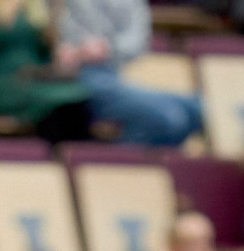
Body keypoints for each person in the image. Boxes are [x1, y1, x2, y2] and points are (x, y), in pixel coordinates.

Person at [0, 0, 91, 142]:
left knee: (78, 95)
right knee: (57, 102)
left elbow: (39, 46)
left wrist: (52, 30)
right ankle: (50, 161)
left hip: (29, 79)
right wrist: (10, 5)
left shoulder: (31, 6)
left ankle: (71, 162)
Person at [55, 0, 198, 146]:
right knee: (172, 118)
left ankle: (144, 160)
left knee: (199, 109)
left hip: (126, 73)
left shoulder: (132, 4)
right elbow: (61, 41)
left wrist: (107, 48)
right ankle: (120, 160)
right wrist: (78, 49)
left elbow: (136, 42)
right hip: (85, 76)